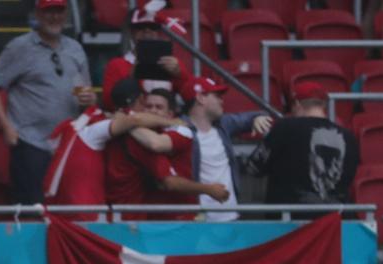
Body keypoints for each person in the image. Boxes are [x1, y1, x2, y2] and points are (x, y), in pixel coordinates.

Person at [0, 0, 93, 204]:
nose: (55, 17)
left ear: (66, 14)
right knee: (31, 210)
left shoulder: (75, 49)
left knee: (66, 209)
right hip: (31, 143)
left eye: (59, 11)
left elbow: (82, 89)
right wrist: (6, 127)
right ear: (37, 14)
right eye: (49, 11)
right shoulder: (20, 47)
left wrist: (89, 99)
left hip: (67, 145)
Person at [132, 76, 271, 222]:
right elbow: (156, 144)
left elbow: (254, 116)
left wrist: (257, 117)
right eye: (216, 96)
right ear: (201, 98)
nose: (221, 100)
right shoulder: (178, 130)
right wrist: (129, 124)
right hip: (198, 220)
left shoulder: (223, 124)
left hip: (231, 217)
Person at [104, 86, 230, 221]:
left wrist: (127, 123)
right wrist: (128, 122)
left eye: (159, 107)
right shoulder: (143, 135)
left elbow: (156, 144)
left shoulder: (182, 131)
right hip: (151, 217)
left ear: (170, 114)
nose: (153, 110)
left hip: (180, 216)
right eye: (148, 106)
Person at [42, 101, 184, 220]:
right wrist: (172, 122)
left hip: (75, 211)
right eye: (146, 106)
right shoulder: (93, 128)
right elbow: (138, 123)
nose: (150, 112)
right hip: (86, 215)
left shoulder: (74, 132)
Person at [246, 82, 358, 208]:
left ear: (297, 104)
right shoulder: (349, 137)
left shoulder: (285, 127)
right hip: (334, 217)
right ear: (324, 105)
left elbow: (253, 168)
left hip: (288, 217)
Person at [101, 4, 191, 112]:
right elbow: (108, 103)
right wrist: (131, 77)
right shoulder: (117, 64)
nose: (147, 31)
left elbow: (191, 97)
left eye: (153, 27)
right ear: (132, 32)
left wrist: (180, 74)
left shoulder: (172, 62)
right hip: (133, 119)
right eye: (141, 27)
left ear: (158, 32)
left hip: (165, 118)